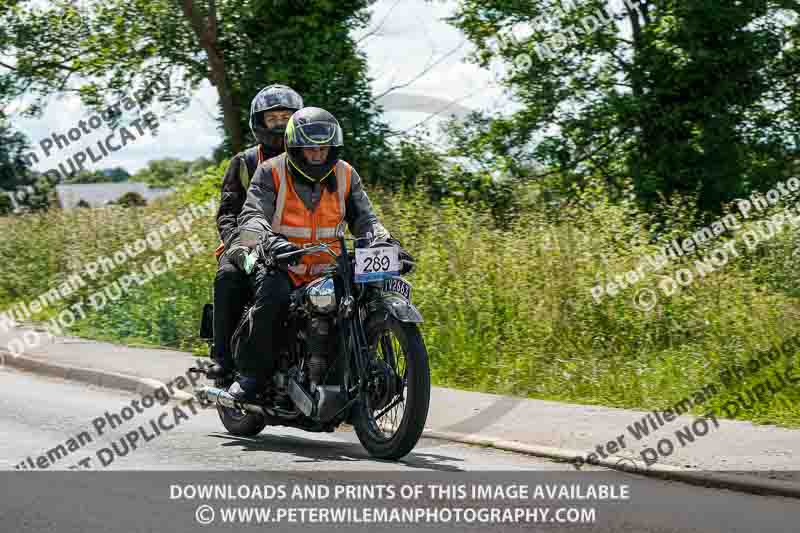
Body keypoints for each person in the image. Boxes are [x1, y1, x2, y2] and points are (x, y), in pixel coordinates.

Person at [226, 106, 413, 402]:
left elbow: (366, 220)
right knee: (271, 298)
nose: (317, 154)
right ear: (295, 147)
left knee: (362, 299)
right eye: (310, 148)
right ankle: (252, 375)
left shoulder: (346, 174)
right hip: (284, 264)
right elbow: (252, 216)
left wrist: (387, 243)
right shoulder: (271, 171)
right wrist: (270, 242)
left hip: (330, 268)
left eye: (323, 148)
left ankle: (349, 375)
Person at [207, 85, 304, 384]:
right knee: (228, 277)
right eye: (273, 118)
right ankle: (222, 357)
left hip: (298, 245)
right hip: (249, 245)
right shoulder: (245, 162)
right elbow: (228, 212)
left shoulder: (312, 158)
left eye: (286, 117)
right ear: (259, 122)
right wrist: (238, 244)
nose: (280, 124)